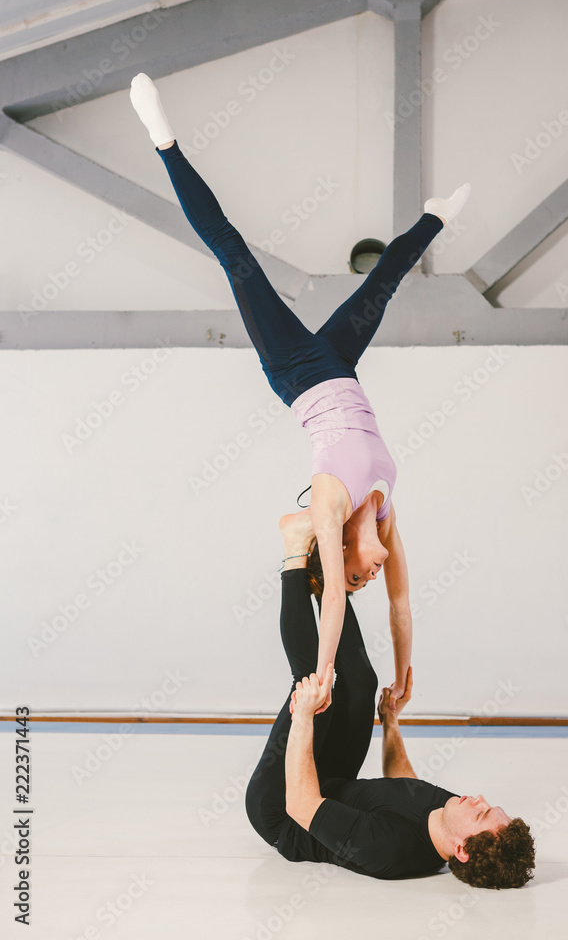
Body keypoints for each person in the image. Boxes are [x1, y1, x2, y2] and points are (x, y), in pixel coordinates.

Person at [129, 73, 471, 710]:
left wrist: (322, 675)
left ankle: (163, 141)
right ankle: (435, 216)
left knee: (234, 254)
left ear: (343, 552)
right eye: (370, 575)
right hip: (340, 365)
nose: (369, 577)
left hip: (295, 371)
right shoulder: (387, 518)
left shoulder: (330, 508)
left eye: (358, 573)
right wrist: (402, 676)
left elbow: (334, 602)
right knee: (387, 282)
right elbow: (400, 604)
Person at [245, 515, 535, 887]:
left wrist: (302, 717)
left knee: (315, 688)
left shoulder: (388, 851)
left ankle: (295, 549)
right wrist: (390, 721)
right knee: (363, 684)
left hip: (283, 806)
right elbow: (405, 787)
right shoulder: (449, 814)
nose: (478, 799)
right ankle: (328, 574)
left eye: (481, 815)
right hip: (330, 780)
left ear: (461, 850)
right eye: (489, 805)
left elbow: (302, 806)